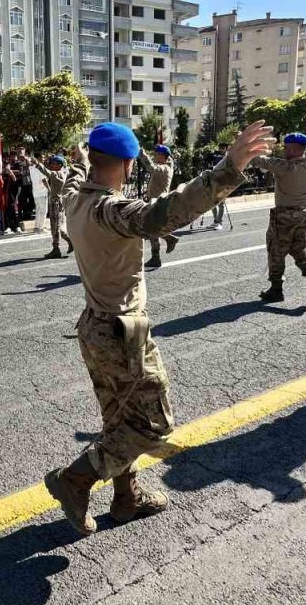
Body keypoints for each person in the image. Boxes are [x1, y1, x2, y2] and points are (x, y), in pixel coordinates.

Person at [44, 120, 273, 536]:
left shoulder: (75, 199)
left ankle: (127, 496)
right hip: (121, 332)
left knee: (118, 420)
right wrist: (228, 167)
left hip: (93, 326)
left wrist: (81, 157)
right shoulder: (109, 210)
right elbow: (161, 214)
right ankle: (75, 479)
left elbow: (80, 173)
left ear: (92, 159)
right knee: (153, 424)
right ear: (130, 166)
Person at [253, 133, 306, 302]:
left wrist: (249, 144)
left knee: (276, 251)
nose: (284, 151)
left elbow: (256, 160)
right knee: (300, 247)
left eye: (286, 148)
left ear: (294, 148)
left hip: (284, 216)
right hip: (304, 215)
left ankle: (276, 289)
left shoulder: (284, 166)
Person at [138, 144, 180, 268]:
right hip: (155, 201)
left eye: (156, 154)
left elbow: (151, 168)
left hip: (159, 203)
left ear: (162, 156)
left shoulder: (165, 168)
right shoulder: (165, 165)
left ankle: (158, 255)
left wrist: (141, 153)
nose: (154, 155)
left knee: (152, 230)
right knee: (153, 229)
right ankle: (168, 240)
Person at [31, 154, 73, 259]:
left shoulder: (57, 174)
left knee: (55, 227)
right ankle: (66, 243)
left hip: (56, 204)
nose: (51, 165)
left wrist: (37, 164)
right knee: (60, 227)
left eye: (54, 163)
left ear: (59, 165)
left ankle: (57, 248)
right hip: (60, 203)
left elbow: (47, 172)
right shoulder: (64, 173)